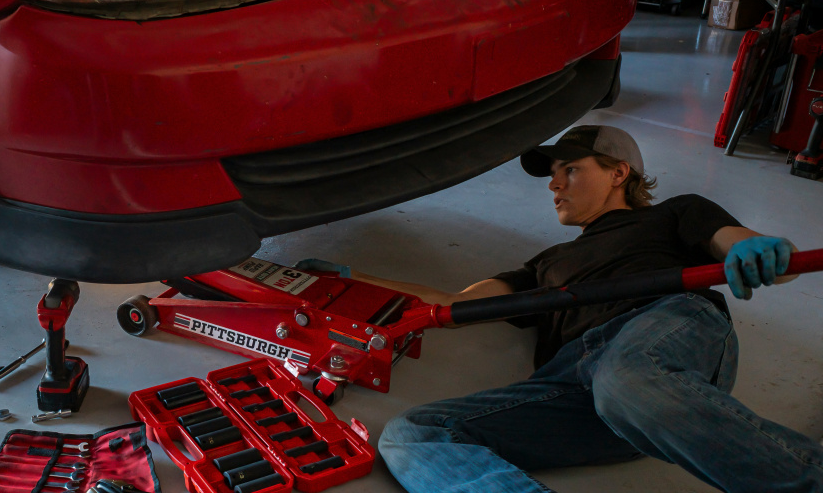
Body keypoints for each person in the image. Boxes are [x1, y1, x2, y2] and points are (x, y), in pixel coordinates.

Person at [298, 125, 820, 493]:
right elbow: (454, 302)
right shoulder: (545, 263)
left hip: (661, 327)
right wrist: (349, 279)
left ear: (619, 173)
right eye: (553, 174)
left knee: (626, 382)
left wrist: (759, 251)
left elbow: (744, 247)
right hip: (577, 384)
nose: (553, 184)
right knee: (412, 436)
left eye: (570, 169)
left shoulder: (672, 214)